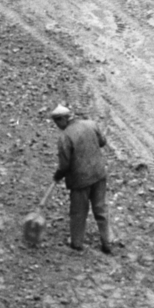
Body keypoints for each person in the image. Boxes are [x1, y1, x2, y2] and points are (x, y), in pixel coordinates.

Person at [49, 102, 112, 254]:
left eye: (57, 122)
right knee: (101, 209)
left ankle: (77, 243)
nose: (58, 126)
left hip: (80, 180)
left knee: (78, 212)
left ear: (62, 120)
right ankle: (107, 243)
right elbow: (102, 142)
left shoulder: (65, 137)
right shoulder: (91, 124)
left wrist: (58, 175)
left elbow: (64, 165)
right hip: (99, 174)